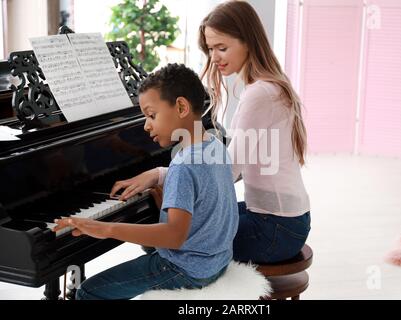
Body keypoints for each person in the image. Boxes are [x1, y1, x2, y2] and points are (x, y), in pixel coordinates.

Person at [118, 0, 311, 265]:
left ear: (249, 41)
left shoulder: (259, 93)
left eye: (222, 47)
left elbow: (226, 172)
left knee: (165, 243)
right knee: (179, 228)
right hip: (284, 220)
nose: (215, 57)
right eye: (211, 49)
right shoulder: (269, 85)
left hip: (274, 230)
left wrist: (160, 175)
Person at [53, 63, 239, 300]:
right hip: (216, 260)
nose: (145, 125)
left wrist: (105, 228)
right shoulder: (214, 146)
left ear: (181, 106)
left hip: (186, 269)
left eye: (152, 115)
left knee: (89, 291)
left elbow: (173, 236)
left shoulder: (183, 166)